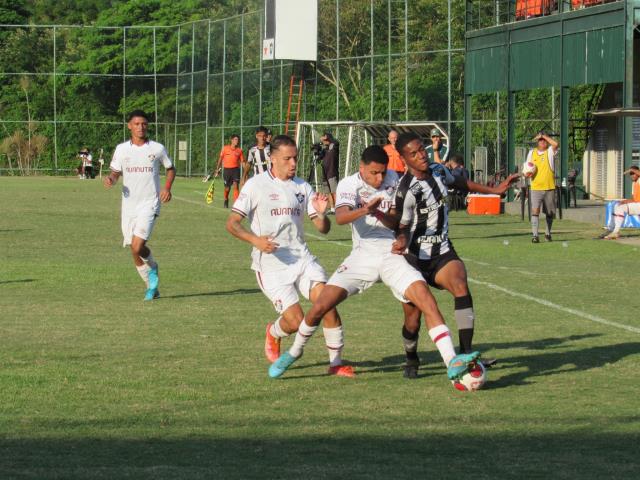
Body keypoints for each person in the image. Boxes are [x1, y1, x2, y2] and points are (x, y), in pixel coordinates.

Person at [267, 144, 481, 383]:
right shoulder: (349, 184)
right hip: (362, 256)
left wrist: (383, 216)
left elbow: (397, 222)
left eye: (383, 172)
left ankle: (452, 361)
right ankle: (294, 352)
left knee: (426, 299)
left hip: (392, 255)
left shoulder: (397, 180)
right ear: (362, 168)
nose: (380, 178)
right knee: (321, 305)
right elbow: (340, 218)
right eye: (374, 173)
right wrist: (365, 209)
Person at [226, 135, 354, 377]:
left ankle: (336, 364)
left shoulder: (302, 187)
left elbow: (322, 228)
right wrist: (256, 241)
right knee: (295, 321)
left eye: (295, 157)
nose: (293, 163)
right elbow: (232, 223)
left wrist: (321, 214)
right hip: (271, 266)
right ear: (273, 159)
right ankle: (273, 333)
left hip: (303, 259)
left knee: (328, 304)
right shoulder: (255, 185)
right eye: (287, 158)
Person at [393, 132, 519, 378]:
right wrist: (399, 240)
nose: (421, 156)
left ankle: (466, 354)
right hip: (414, 258)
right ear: (404, 158)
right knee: (413, 319)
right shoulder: (406, 190)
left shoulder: (439, 170)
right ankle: (411, 358)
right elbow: (401, 225)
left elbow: (460, 183)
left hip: (441, 251)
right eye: (414, 153)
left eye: (422, 149)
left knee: (461, 285)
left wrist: (495, 190)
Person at [103, 110, 175, 301]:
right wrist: (111, 178)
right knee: (132, 247)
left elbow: (170, 169)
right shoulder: (121, 149)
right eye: (136, 124)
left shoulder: (157, 148)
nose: (140, 127)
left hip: (149, 204)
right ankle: (151, 283)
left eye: (144, 124)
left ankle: (152, 276)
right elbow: (116, 172)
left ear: (147, 126)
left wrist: (167, 188)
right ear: (129, 126)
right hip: (129, 206)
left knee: (137, 246)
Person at [526, 131, 559, 243]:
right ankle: (535, 235)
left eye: (545, 140)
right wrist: (527, 173)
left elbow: (555, 144)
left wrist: (544, 135)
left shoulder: (550, 152)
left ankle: (547, 233)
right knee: (535, 210)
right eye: (541, 140)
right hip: (535, 187)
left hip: (549, 187)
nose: (543, 141)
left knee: (549, 213)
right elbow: (527, 168)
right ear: (537, 142)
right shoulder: (531, 153)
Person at [600, 166, 640, 240]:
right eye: (631, 174)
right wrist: (624, 201)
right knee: (616, 205)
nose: (632, 175)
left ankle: (615, 232)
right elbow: (634, 199)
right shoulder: (634, 183)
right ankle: (611, 230)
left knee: (620, 208)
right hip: (637, 204)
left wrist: (631, 169)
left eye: (633, 173)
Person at [209, 134, 244, 208]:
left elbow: (243, 162)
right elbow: (220, 159)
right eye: (235, 139)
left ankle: (236, 205)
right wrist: (217, 169)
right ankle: (226, 199)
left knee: (236, 186)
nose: (237, 141)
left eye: (237, 140)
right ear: (231, 140)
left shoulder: (239, 150)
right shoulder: (225, 148)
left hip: (235, 170)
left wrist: (246, 170)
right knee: (227, 188)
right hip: (227, 170)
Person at [320, 132, 340, 212]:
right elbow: (320, 157)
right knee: (328, 192)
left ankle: (338, 208)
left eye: (325, 139)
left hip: (332, 173)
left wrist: (326, 138)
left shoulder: (334, 146)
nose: (323, 142)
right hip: (325, 173)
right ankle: (332, 209)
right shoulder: (325, 149)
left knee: (334, 191)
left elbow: (336, 142)